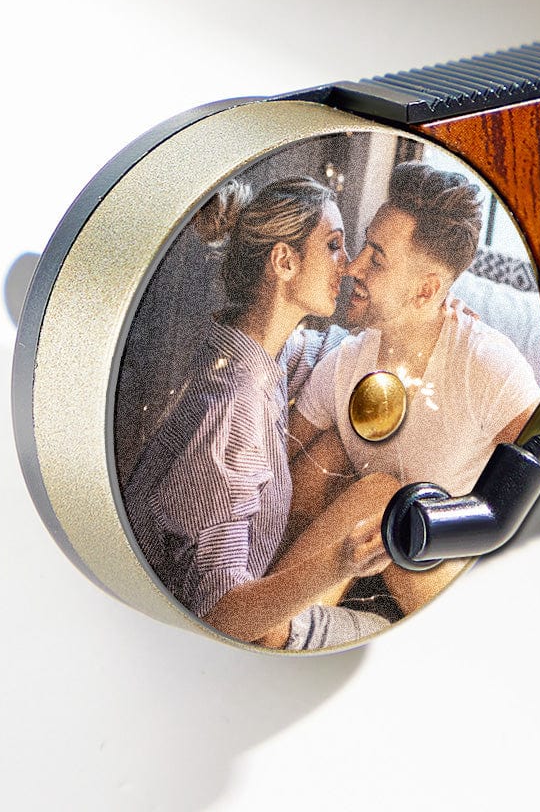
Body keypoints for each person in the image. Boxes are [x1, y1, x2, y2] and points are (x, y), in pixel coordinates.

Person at [120, 176, 398, 649]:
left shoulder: (257, 351)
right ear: (284, 261)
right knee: (392, 634)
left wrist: (425, 317)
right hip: (204, 637)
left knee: (349, 457)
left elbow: (333, 354)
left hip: (236, 600)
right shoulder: (233, 409)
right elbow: (219, 616)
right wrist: (342, 561)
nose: (349, 265)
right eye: (333, 246)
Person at [287, 161, 540, 615]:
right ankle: (282, 623)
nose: (353, 267)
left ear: (426, 291)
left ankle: (281, 626)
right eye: (365, 246)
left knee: (387, 499)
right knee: (331, 457)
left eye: (376, 258)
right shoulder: (343, 365)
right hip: (359, 581)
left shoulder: (489, 369)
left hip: (453, 595)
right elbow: (277, 473)